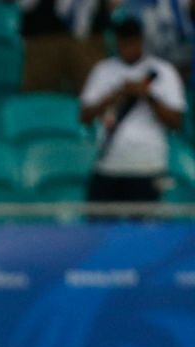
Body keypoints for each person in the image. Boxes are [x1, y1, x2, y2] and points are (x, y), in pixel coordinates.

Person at [81, 14, 185, 205]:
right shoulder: (103, 70)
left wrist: (147, 95)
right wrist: (116, 94)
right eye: (122, 43)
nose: (126, 48)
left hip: (148, 165)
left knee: (146, 231)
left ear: (140, 41)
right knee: (97, 228)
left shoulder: (162, 72)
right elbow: (85, 116)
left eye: (131, 42)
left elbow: (176, 122)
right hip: (109, 165)